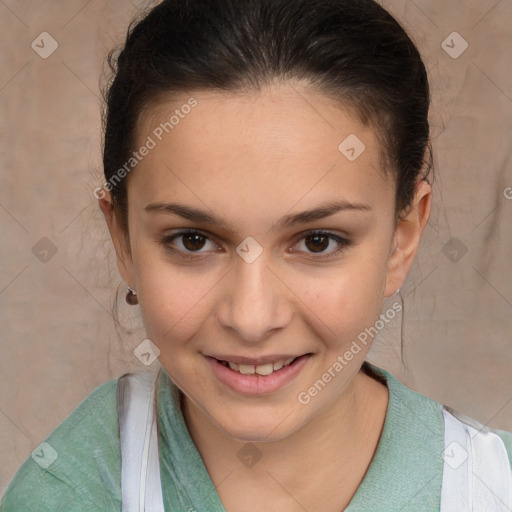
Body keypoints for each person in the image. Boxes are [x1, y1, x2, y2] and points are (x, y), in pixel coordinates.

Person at [2, 0, 511, 510]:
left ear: (402, 238)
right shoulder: (62, 494)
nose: (251, 318)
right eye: (193, 240)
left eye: (318, 241)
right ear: (123, 239)